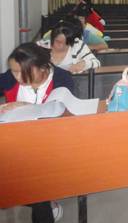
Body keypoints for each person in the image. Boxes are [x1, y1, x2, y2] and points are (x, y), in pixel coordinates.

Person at [0, 42, 75, 222]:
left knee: (35, 188)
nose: (17, 77)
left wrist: (24, 106)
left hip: (50, 146)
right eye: (13, 71)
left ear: (42, 68)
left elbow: (66, 115)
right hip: (16, 143)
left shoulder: (62, 79)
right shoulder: (12, 76)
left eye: (22, 72)